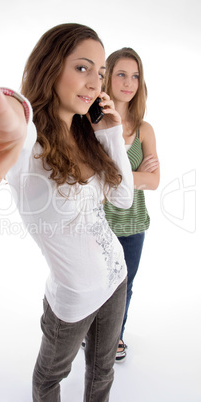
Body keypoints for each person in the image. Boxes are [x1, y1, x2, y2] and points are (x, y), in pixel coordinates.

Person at [0, 24, 134, 401]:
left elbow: (123, 198)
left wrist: (111, 130)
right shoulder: (28, 147)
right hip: (72, 302)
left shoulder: (86, 134)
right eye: (82, 68)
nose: (95, 83)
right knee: (48, 379)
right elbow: (12, 120)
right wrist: (3, 104)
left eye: (101, 72)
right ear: (50, 67)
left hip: (117, 279)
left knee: (102, 371)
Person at [102, 47, 160, 362]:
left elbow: (155, 180)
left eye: (135, 75)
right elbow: (91, 178)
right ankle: (88, 336)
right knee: (94, 285)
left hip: (133, 224)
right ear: (107, 77)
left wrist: (119, 176)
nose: (129, 82)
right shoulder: (90, 123)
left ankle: (114, 338)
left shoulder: (144, 129)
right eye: (121, 74)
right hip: (95, 222)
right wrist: (137, 174)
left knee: (124, 287)